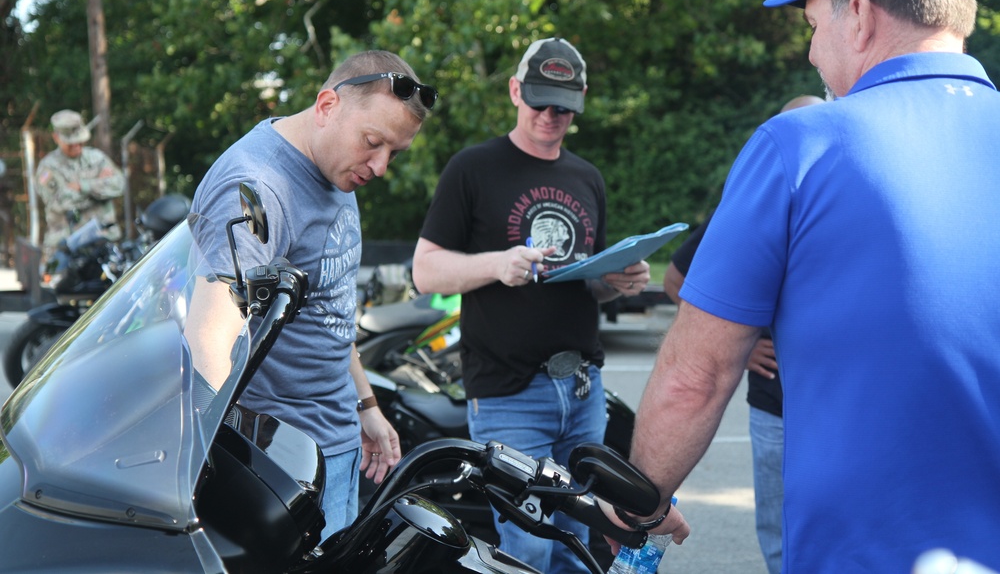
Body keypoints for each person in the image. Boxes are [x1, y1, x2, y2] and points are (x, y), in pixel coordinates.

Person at [619, 0, 1000, 571]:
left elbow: (695, 375)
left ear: (858, 11)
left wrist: (633, 505)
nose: (810, 51)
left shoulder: (800, 147)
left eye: (812, 24)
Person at [411, 37, 650, 574]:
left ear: (580, 101)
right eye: (540, 101)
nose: (550, 115)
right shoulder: (473, 169)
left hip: (583, 389)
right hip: (508, 392)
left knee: (577, 539)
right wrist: (496, 264)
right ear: (516, 91)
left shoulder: (586, 177)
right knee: (527, 548)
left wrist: (617, 282)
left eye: (563, 106)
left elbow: (587, 284)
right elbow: (424, 270)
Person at [187, 51, 437, 540]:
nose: (381, 166)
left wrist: (366, 407)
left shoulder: (337, 167)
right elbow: (208, 344)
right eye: (374, 143)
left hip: (336, 440)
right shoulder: (258, 187)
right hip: (280, 466)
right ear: (327, 105)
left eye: (394, 152)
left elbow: (329, 308)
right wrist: (231, 479)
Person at [662, 94, 825, 574]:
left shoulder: (840, 205)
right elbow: (675, 280)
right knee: (778, 539)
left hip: (834, 405)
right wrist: (748, 342)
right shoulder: (749, 208)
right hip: (773, 407)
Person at [36, 109, 125, 262]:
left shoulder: (96, 158)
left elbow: (119, 184)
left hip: (103, 239)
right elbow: (60, 203)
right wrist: (100, 190)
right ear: (56, 137)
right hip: (66, 246)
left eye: (80, 140)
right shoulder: (47, 168)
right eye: (70, 142)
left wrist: (83, 186)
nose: (77, 145)